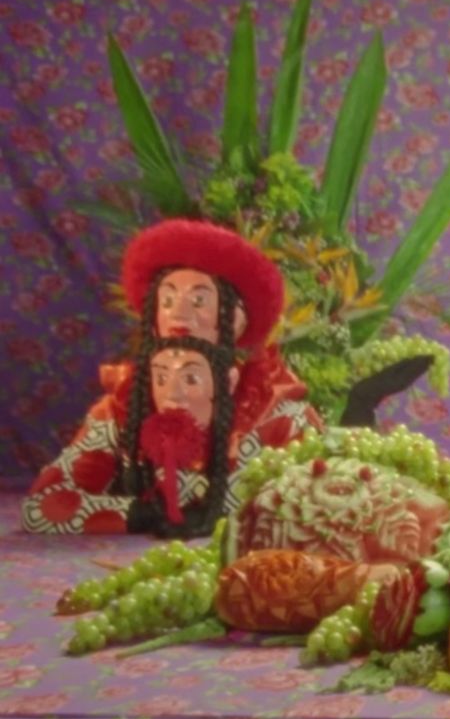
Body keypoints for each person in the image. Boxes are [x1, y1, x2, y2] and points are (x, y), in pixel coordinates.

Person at [21, 219, 320, 536]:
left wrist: (226, 515)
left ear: (235, 319)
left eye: (199, 300)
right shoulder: (123, 410)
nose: (178, 313)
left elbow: (326, 506)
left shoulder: (275, 413)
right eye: (167, 300)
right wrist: (142, 514)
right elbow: (42, 506)